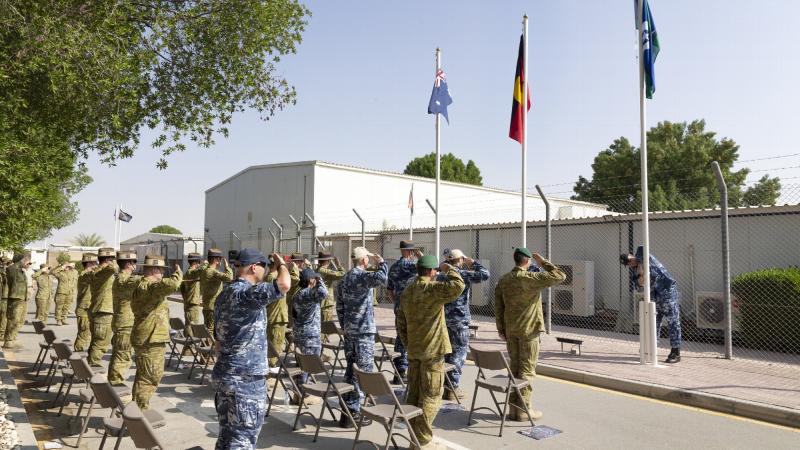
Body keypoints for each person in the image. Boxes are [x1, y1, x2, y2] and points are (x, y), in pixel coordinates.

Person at [212, 249, 289, 450]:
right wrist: (281, 265)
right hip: (246, 380)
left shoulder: (224, 294)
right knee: (242, 440)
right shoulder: (248, 293)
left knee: (227, 437)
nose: (265, 272)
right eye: (264, 267)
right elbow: (284, 284)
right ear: (254, 267)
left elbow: (218, 341)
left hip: (226, 375)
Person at [396, 255, 464, 450]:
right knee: (432, 395)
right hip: (433, 352)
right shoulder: (432, 289)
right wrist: (449, 268)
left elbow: (400, 321)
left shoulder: (407, 291)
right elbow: (458, 286)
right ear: (433, 271)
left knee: (414, 394)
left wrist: (409, 344)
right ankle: (422, 440)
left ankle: (413, 437)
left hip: (415, 350)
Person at [494, 247, 565, 422]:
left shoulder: (504, 280)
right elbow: (560, 276)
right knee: (526, 371)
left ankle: (513, 408)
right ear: (527, 261)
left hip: (511, 331)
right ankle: (524, 409)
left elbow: (498, 307)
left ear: (515, 259)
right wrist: (543, 262)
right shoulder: (531, 278)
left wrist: (501, 329)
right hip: (529, 331)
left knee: (515, 369)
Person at [334, 247, 387, 428]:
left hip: (350, 330)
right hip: (363, 332)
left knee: (350, 370)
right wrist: (381, 262)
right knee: (361, 373)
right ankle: (353, 412)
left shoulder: (345, 279)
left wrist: (345, 326)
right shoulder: (362, 277)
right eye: (367, 259)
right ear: (364, 260)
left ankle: (346, 411)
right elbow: (382, 278)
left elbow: (339, 306)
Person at [130, 255, 182, 409]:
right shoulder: (148, 287)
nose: (162, 274)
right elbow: (172, 284)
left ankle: (136, 408)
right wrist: (178, 273)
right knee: (151, 377)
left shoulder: (144, 286)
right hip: (150, 338)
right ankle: (138, 412)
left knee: (143, 375)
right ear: (154, 270)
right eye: (161, 270)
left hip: (148, 336)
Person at [438, 249, 489, 400]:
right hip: (460, 319)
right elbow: (485, 274)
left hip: (444, 318)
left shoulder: (442, 275)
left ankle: (445, 384)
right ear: (460, 260)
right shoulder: (463, 274)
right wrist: (471, 262)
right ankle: (452, 388)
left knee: (446, 351)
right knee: (459, 352)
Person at [621, 246, 682, 363]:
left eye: (629, 259)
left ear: (631, 255)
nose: (630, 263)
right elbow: (638, 287)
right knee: (653, 323)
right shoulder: (635, 271)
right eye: (627, 263)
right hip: (654, 296)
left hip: (667, 292)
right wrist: (639, 274)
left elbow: (642, 247)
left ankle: (676, 352)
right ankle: (651, 349)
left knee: (673, 322)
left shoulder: (642, 255)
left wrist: (639, 263)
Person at [387, 240, 423, 384]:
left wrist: (397, 302)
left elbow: (389, 290)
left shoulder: (394, 267)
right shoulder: (414, 266)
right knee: (410, 339)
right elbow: (432, 267)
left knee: (399, 338)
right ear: (410, 252)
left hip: (399, 307)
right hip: (412, 308)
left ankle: (398, 371)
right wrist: (421, 257)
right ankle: (406, 370)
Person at [292, 268, 328, 394]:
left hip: (300, 333)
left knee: (301, 364)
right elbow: (324, 293)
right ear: (310, 280)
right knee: (307, 366)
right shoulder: (308, 294)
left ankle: (299, 391)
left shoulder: (298, 293)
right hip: (310, 335)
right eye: (314, 278)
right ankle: (302, 393)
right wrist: (320, 280)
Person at [108, 250, 141, 386]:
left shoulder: (120, 278)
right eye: (134, 262)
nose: (135, 266)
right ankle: (115, 385)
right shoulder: (125, 279)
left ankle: (112, 382)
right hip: (125, 324)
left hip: (121, 322)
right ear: (128, 263)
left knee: (119, 354)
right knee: (123, 356)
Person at [88, 247, 118, 366]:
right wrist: (113, 263)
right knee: (101, 344)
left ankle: (89, 367)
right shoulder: (102, 272)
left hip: (99, 310)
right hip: (103, 312)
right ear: (107, 260)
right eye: (112, 259)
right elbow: (113, 268)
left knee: (96, 342)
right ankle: (92, 370)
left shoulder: (97, 271)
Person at [264, 258, 288, 379]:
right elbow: (294, 279)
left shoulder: (269, 276)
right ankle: (270, 375)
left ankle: (270, 371)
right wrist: (283, 266)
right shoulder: (274, 277)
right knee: (275, 345)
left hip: (274, 315)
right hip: (277, 315)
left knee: (273, 344)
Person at [200, 248, 233, 336]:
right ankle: (210, 348)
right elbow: (229, 278)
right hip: (213, 306)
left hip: (206, 305)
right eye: (220, 259)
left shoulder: (204, 271)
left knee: (207, 328)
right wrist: (227, 267)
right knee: (211, 330)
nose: (221, 261)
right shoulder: (213, 272)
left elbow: (204, 267)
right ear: (215, 260)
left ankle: (205, 347)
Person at [4, 254, 32, 348]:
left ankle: (13, 338)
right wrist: (21, 262)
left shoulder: (21, 271)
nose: (28, 263)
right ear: (20, 260)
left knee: (20, 320)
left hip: (22, 298)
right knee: (13, 320)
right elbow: (12, 269)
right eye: (26, 260)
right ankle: (8, 340)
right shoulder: (12, 269)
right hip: (15, 299)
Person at [74, 253, 98, 352]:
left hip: (88, 308)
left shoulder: (90, 275)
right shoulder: (84, 275)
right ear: (89, 263)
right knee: (83, 334)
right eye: (94, 263)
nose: (96, 265)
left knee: (87, 334)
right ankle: (77, 356)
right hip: (83, 309)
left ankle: (79, 355)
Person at [315, 251, 345, 326]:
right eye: (329, 260)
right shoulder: (324, 271)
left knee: (320, 324)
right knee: (326, 326)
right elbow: (342, 274)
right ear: (326, 261)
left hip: (320, 301)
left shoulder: (317, 270)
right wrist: (339, 265)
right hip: (326, 302)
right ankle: (323, 338)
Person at [180, 252, 204, 337]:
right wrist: (206, 264)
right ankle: (189, 349)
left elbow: (182, 288)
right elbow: (201, 271)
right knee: (191, 328)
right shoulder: (191, 273)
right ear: (195, 262)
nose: (199, 264)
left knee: (188, 325)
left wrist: (186, 298)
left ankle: (188, 348)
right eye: (199, 262)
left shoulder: (187, 273)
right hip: (192, 305)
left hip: (189, 303)